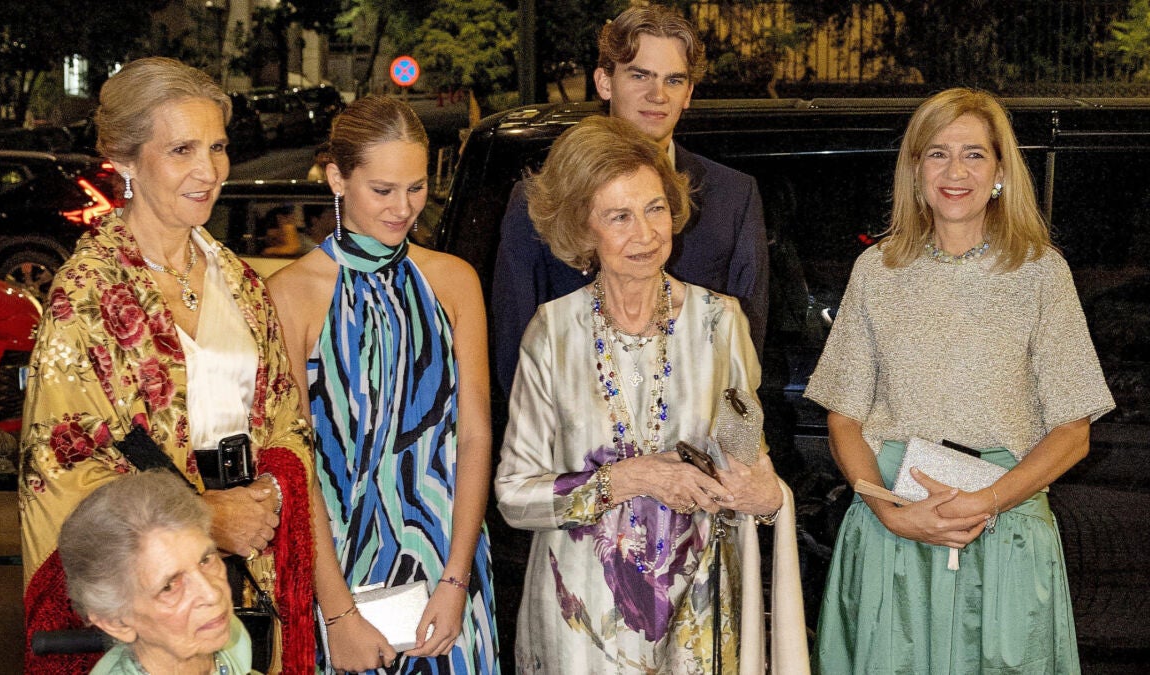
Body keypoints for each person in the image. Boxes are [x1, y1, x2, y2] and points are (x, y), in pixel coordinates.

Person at [804, 88, 1116, 674]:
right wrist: (889, 510)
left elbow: (1074, 432)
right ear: (915, 169)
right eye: (938, 153)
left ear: (1000, 172)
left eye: (974, 154)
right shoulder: (877, 270)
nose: (955, 172)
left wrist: (986, 502)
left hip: (1004, 532)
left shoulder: (1041, 272)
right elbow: (843, 417)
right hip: (892, 530)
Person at [19, 57, 314, 674]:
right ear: (124, 161)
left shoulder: (240, 281)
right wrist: (205, 519)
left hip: (251, 566)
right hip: (153, 602)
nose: (209, 171)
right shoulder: (85, 295)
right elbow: (62, 465)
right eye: (182, 150)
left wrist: (265, 498)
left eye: (217, 147)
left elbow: (288, 418)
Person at [495, 115, 806, 673]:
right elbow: (515, 496)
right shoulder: (552, 332)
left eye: (655, 208)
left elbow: (749, 465)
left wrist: (764, 494)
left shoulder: (720, 322)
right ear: (583, 229)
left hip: (698, 620)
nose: (645, 233)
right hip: (581, 630)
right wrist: (631, 478)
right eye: (619, 216)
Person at [268, 96, 498, 673]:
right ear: (336, 179)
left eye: (416, 188)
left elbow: (474, 436)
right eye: (383, 190)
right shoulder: (289, 294)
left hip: (449, 567)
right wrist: (337, 613)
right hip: (340, 573)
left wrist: (457, 580)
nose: (403, 208)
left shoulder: (454, 280)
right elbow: (297, 463)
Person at [491, 3, 768, 397]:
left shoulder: (733, 196)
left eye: (674, 80)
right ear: (605, 82)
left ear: (688, 93)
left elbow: (745, 349)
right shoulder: (541, 196)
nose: (657, 95)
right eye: (640, 75)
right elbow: (515, 355)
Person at [59, 470, 257, 674]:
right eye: (169, 586)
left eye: (205, 560)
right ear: (116, 623)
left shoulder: (228, 638)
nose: (212, 594)